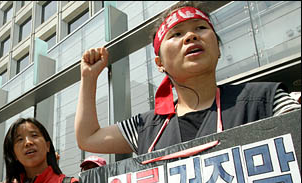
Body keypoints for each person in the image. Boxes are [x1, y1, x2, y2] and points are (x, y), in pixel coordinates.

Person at [75, 1, 301, 160]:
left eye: (201, 28)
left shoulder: (267, 101)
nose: (191, 36)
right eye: (176, 34)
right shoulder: (145, 128)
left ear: (218, 49)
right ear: (159, 63)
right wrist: (89, 77)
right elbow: (88, 138)